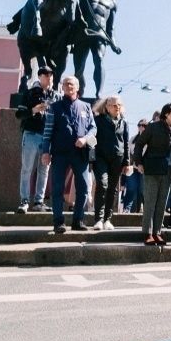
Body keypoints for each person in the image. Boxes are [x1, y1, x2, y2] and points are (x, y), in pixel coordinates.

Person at [40, 75, 97, 234]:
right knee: (57, 188)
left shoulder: (86, 107)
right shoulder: (55, 107)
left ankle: (78, 221)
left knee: (84, 188)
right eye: (65, 84)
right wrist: (46, 151)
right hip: (60, 153)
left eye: (71, 84)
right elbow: (48, 131)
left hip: (80, 154)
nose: (68, 86)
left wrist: (85, 139)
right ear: (62, 87)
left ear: (77, 87)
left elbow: (93, 129)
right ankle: (58, 222)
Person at [134, 102, 171, 246]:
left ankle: (157, 232)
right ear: (167, 113)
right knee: (150, 202)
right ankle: (148, 233)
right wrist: (139, 162)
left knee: (162, 203)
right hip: (152, 169)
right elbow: (139, 144)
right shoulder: (153, 127)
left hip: (168, 171)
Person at [15, 66, 59, 212]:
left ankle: (39, 202)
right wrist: (34, 110)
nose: (49, 78)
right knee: (27, 168)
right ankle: (24, 200)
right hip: (31, 134)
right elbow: (19, 114)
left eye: (51, 75)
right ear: (39, 77)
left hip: (48, 138)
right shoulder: (29, 93)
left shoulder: (55, 96)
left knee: (44, 170)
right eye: (46, 75)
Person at [91, 95, 132, 230]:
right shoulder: (98, 120)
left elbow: (126, 143)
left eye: (119, 105)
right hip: (101, 157)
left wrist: (126, 162)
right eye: (114, 105)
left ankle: (107, 219)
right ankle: (98, 219)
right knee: (102, 184)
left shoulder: (124, 122)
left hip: (117, 159)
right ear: (106, 107)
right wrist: (91, 158)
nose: (117, 107)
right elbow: (92, 140)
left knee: (113, 189)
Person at [121, 119, 148, 212]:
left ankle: (146, 211)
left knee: (143, 190)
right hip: (133, 167)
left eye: (144, 125)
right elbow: (128, 152)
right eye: (140, 125)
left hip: (144, 168)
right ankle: (127, 210)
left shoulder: (149, 139)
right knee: (131, 189)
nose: (142, 127)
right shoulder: (133, 139)